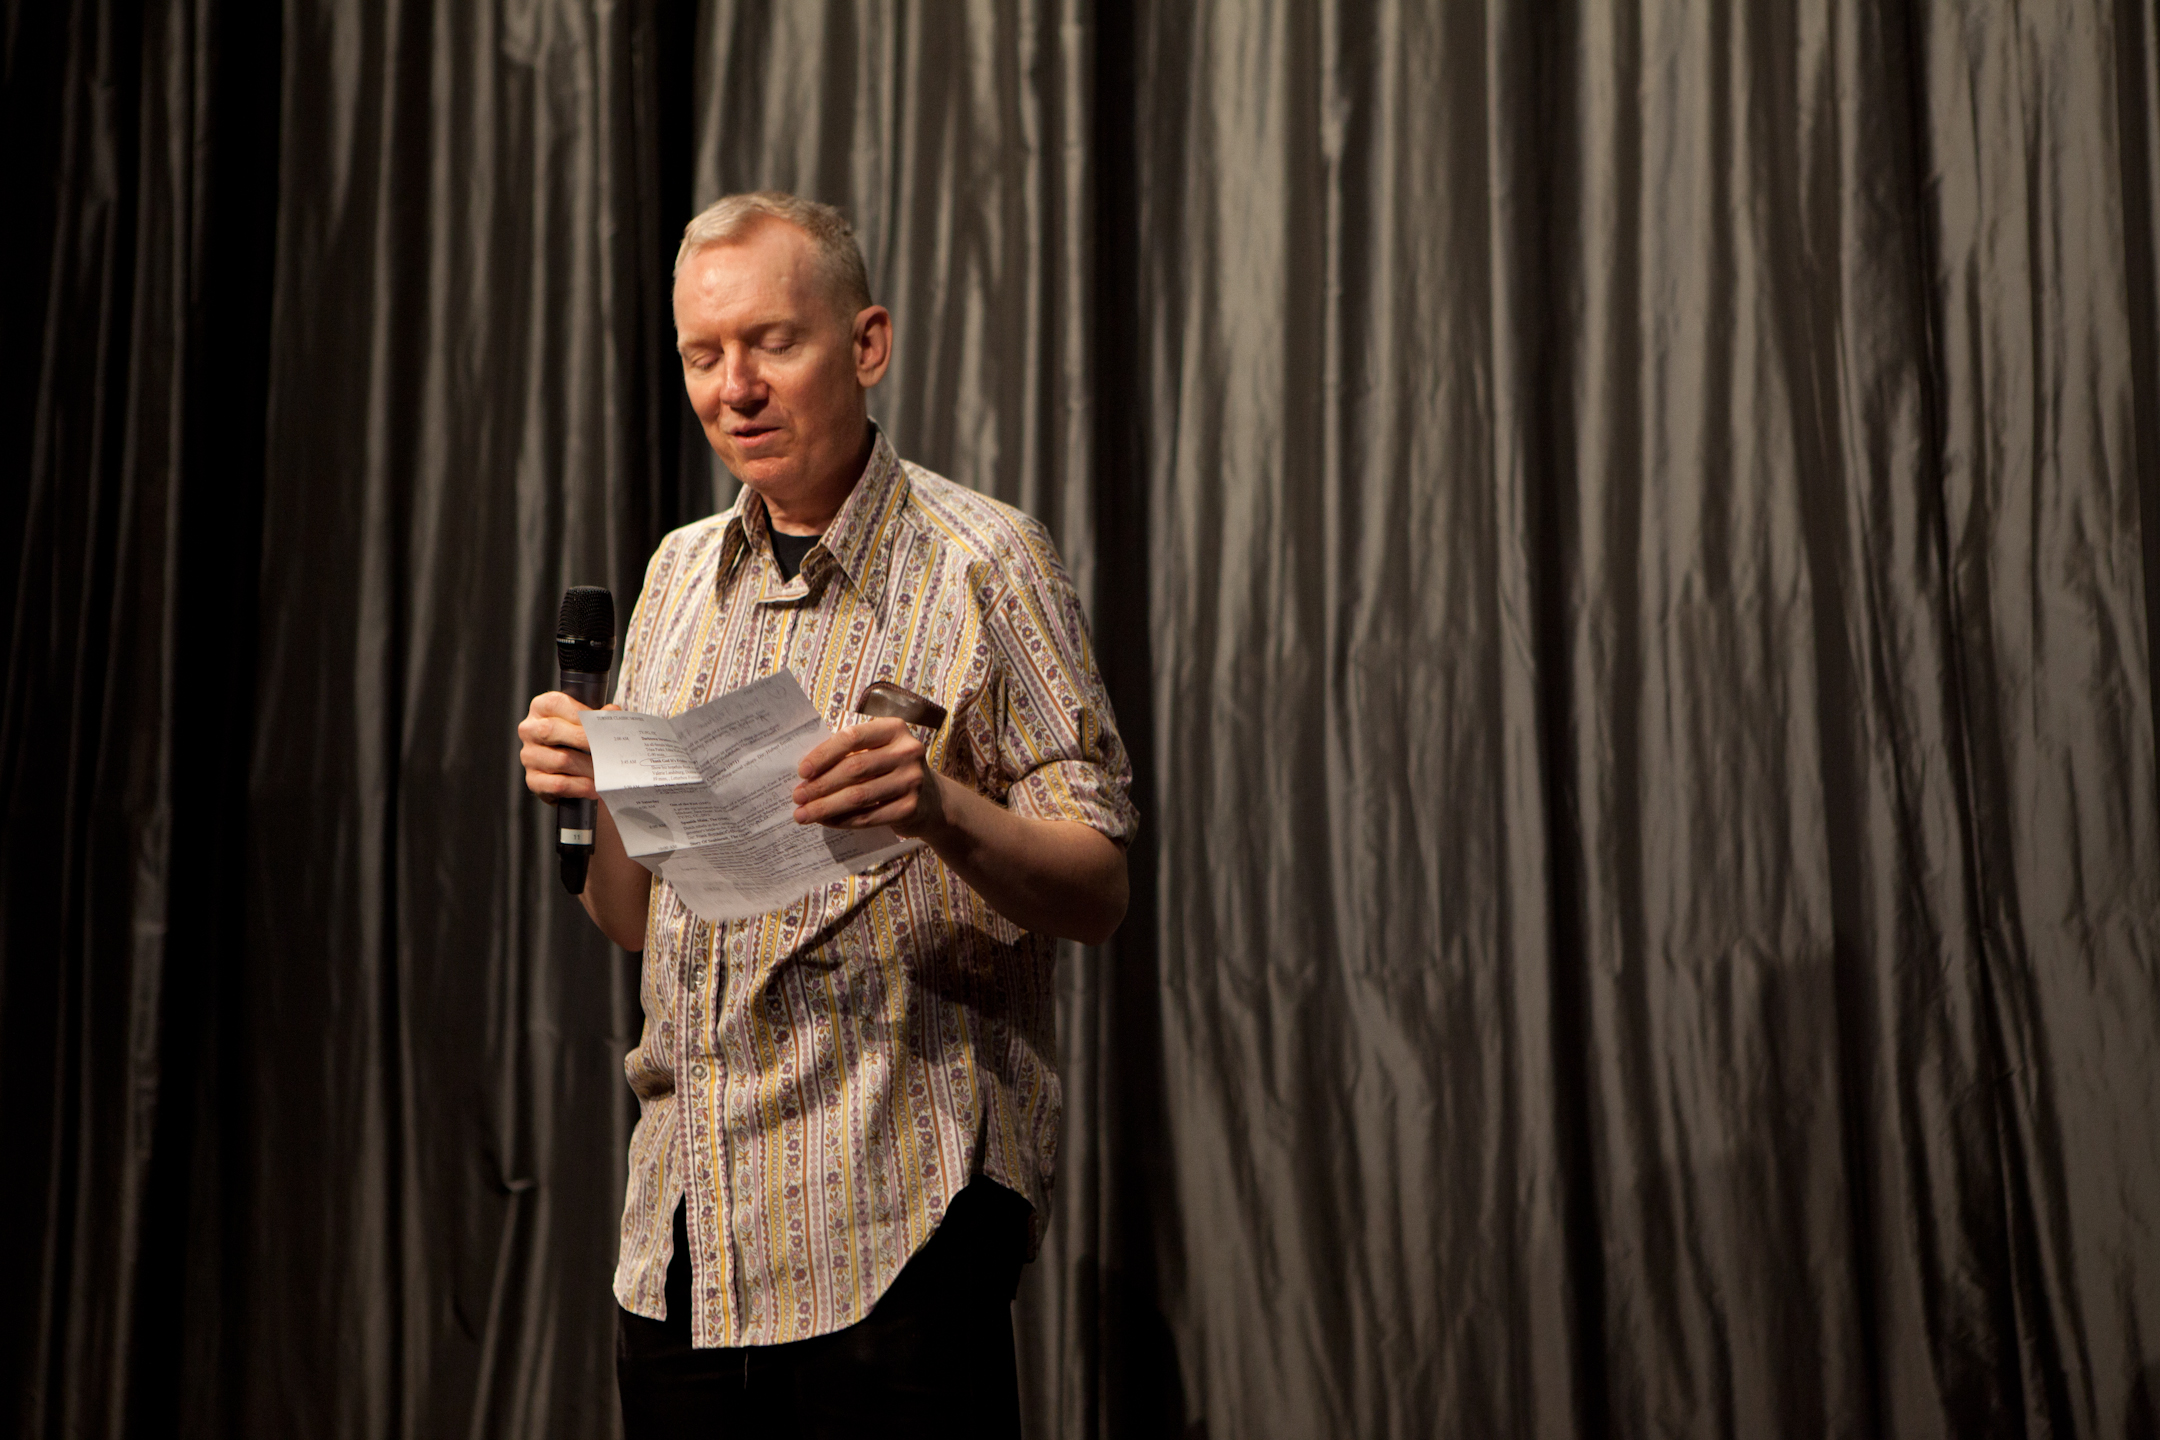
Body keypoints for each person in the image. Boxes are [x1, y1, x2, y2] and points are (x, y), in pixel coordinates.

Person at [516, 191, 1136, 1437]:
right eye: (704, 355)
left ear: (865, 345)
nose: (733, 386)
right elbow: (635, 924)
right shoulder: (678, 575)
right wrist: (598, 794)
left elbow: (1099, 892)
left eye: (769, 343)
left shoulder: (986, 561)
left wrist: (943, 814)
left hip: (898, 1220)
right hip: (688, 1238)